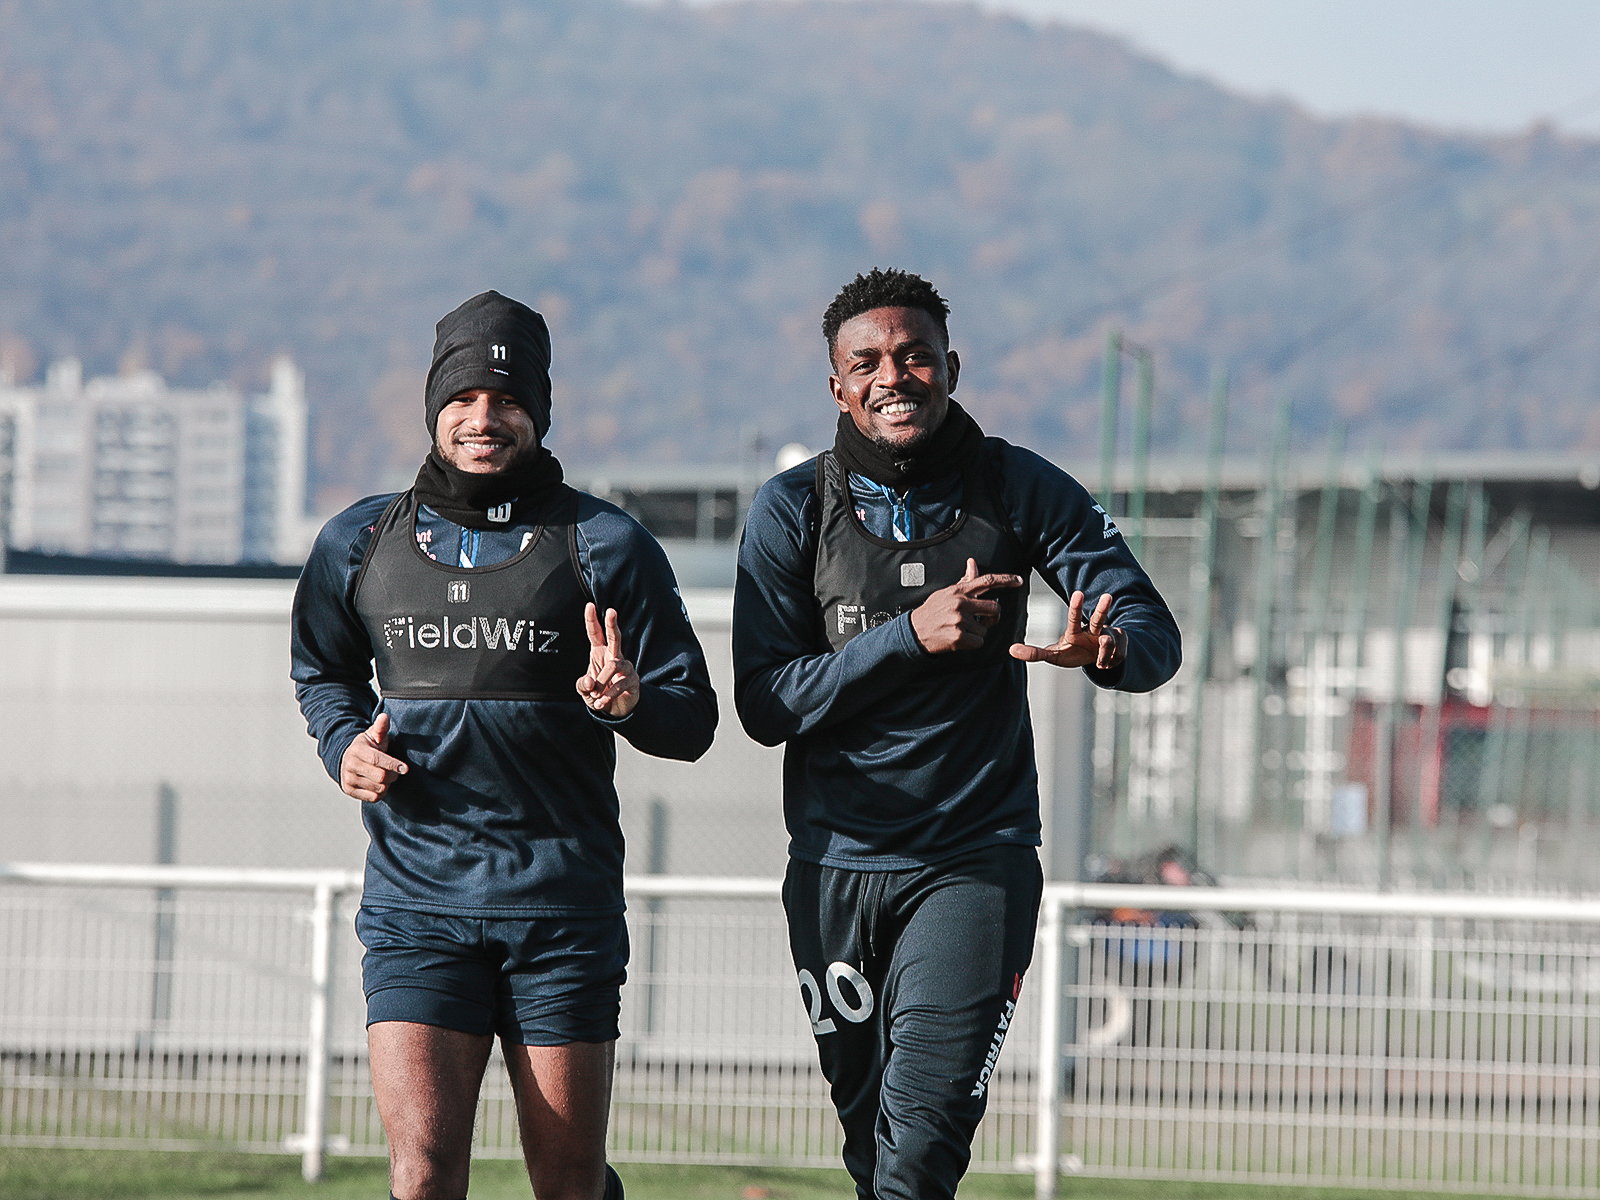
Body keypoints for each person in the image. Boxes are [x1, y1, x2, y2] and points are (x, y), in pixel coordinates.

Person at [732, 268, 1181, 1200]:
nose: (893, 375)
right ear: (836, 387)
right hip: (835, 869)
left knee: (921, 1151)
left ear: (952, 368)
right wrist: (911, 636)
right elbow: (766, 704)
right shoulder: (790, 511)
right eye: (868, 362)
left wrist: (1106, 650)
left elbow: (1154, 640)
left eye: (916, 356)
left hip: (974, 860)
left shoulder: (1016, 485)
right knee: (874, 1153)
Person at [292, 290, 716, 1200]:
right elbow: (321, 674)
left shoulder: (606, 544)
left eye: (507, 399)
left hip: (560, 911)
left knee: (566, 1182)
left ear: (539, 410)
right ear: (434, 406)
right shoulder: (358, 541)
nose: (485, 418)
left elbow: (693, 719)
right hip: (417, 906)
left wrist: (629, 700)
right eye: (464, 398)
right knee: (422, 1177)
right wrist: (341, 747)